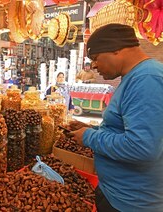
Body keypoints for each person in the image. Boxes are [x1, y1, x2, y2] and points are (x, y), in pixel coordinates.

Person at [68, 24, 163, 211]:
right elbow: (126, 128)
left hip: (131, 203)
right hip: (119, 194)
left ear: (116, 49)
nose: (93, 66)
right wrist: (94, 130)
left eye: (95, 58)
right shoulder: (136, 76)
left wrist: (89, 137)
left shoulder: (147, 79)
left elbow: (141, 147)